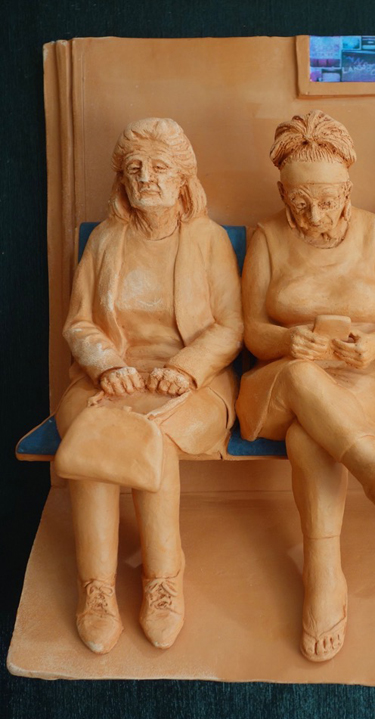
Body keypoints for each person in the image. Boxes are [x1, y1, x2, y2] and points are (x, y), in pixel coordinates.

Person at [236, 110, 375, 662]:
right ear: (282, 194)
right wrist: (284, 341)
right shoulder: (267, 238)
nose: (315, 215)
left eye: (327, 200)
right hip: (279, 383)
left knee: (308, 436)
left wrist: (374, 347)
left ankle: (323, 575)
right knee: (301, 377)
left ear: (348, 190)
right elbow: (250, 330)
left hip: (363, 382)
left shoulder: (374, 232)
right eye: (300, 203)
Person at [55, 118, 243, 654]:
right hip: (107, 382)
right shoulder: (105, 240)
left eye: (160, 167)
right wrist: (108, 365)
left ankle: (163, 579)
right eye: (135, 168)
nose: (146, 178)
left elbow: (230, 326)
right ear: (122, 179)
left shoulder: (207, 240)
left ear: (183, 178)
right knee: (96, 439)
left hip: (193, 386)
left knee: (150, 438)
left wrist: (184, 368)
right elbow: (79, 323)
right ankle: (96, 587)